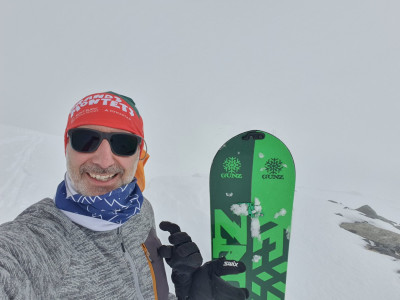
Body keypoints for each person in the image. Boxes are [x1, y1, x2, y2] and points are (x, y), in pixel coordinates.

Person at [0, 92, 249, 300]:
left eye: (123, 144)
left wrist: (184, 293)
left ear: (138, 154)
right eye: (86, 140)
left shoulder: (140, 211)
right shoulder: (41, 239)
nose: (104, 160)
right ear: (66, 146)